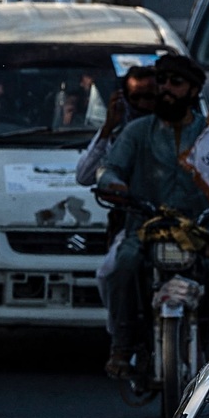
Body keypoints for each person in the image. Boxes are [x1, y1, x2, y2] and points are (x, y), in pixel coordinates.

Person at [97, 53, 209, 378]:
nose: (166, 89)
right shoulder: (138, 131)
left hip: (204, 228)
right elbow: (111, 169)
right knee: (121, 266)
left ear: (193, 91)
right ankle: (123, 346)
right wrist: (113, 184)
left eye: (175, 83)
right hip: (146, 226)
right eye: (162, 81)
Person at [75, 65, 157, 336]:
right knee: (110, 272)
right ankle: (121, 340)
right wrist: (109, 127)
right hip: (136, 223)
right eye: (138, 98)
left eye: (151, 97)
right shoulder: (121, 135)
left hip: (186, 222)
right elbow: (85, 175)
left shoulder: (181, 128)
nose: (145, 104)